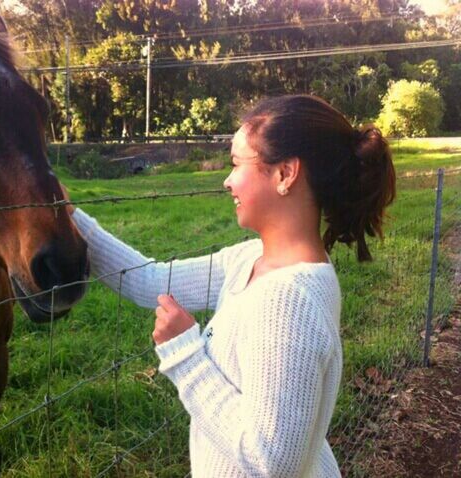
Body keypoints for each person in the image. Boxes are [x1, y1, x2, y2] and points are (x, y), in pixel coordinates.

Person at [63, 94, 396, 477]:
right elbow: (150, 280)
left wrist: (185, 355)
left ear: (285, 173)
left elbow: (270, 461)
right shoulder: (251, 261)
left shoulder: (288, 301)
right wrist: (72, 217)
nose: (227, 180)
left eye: (237, 163)